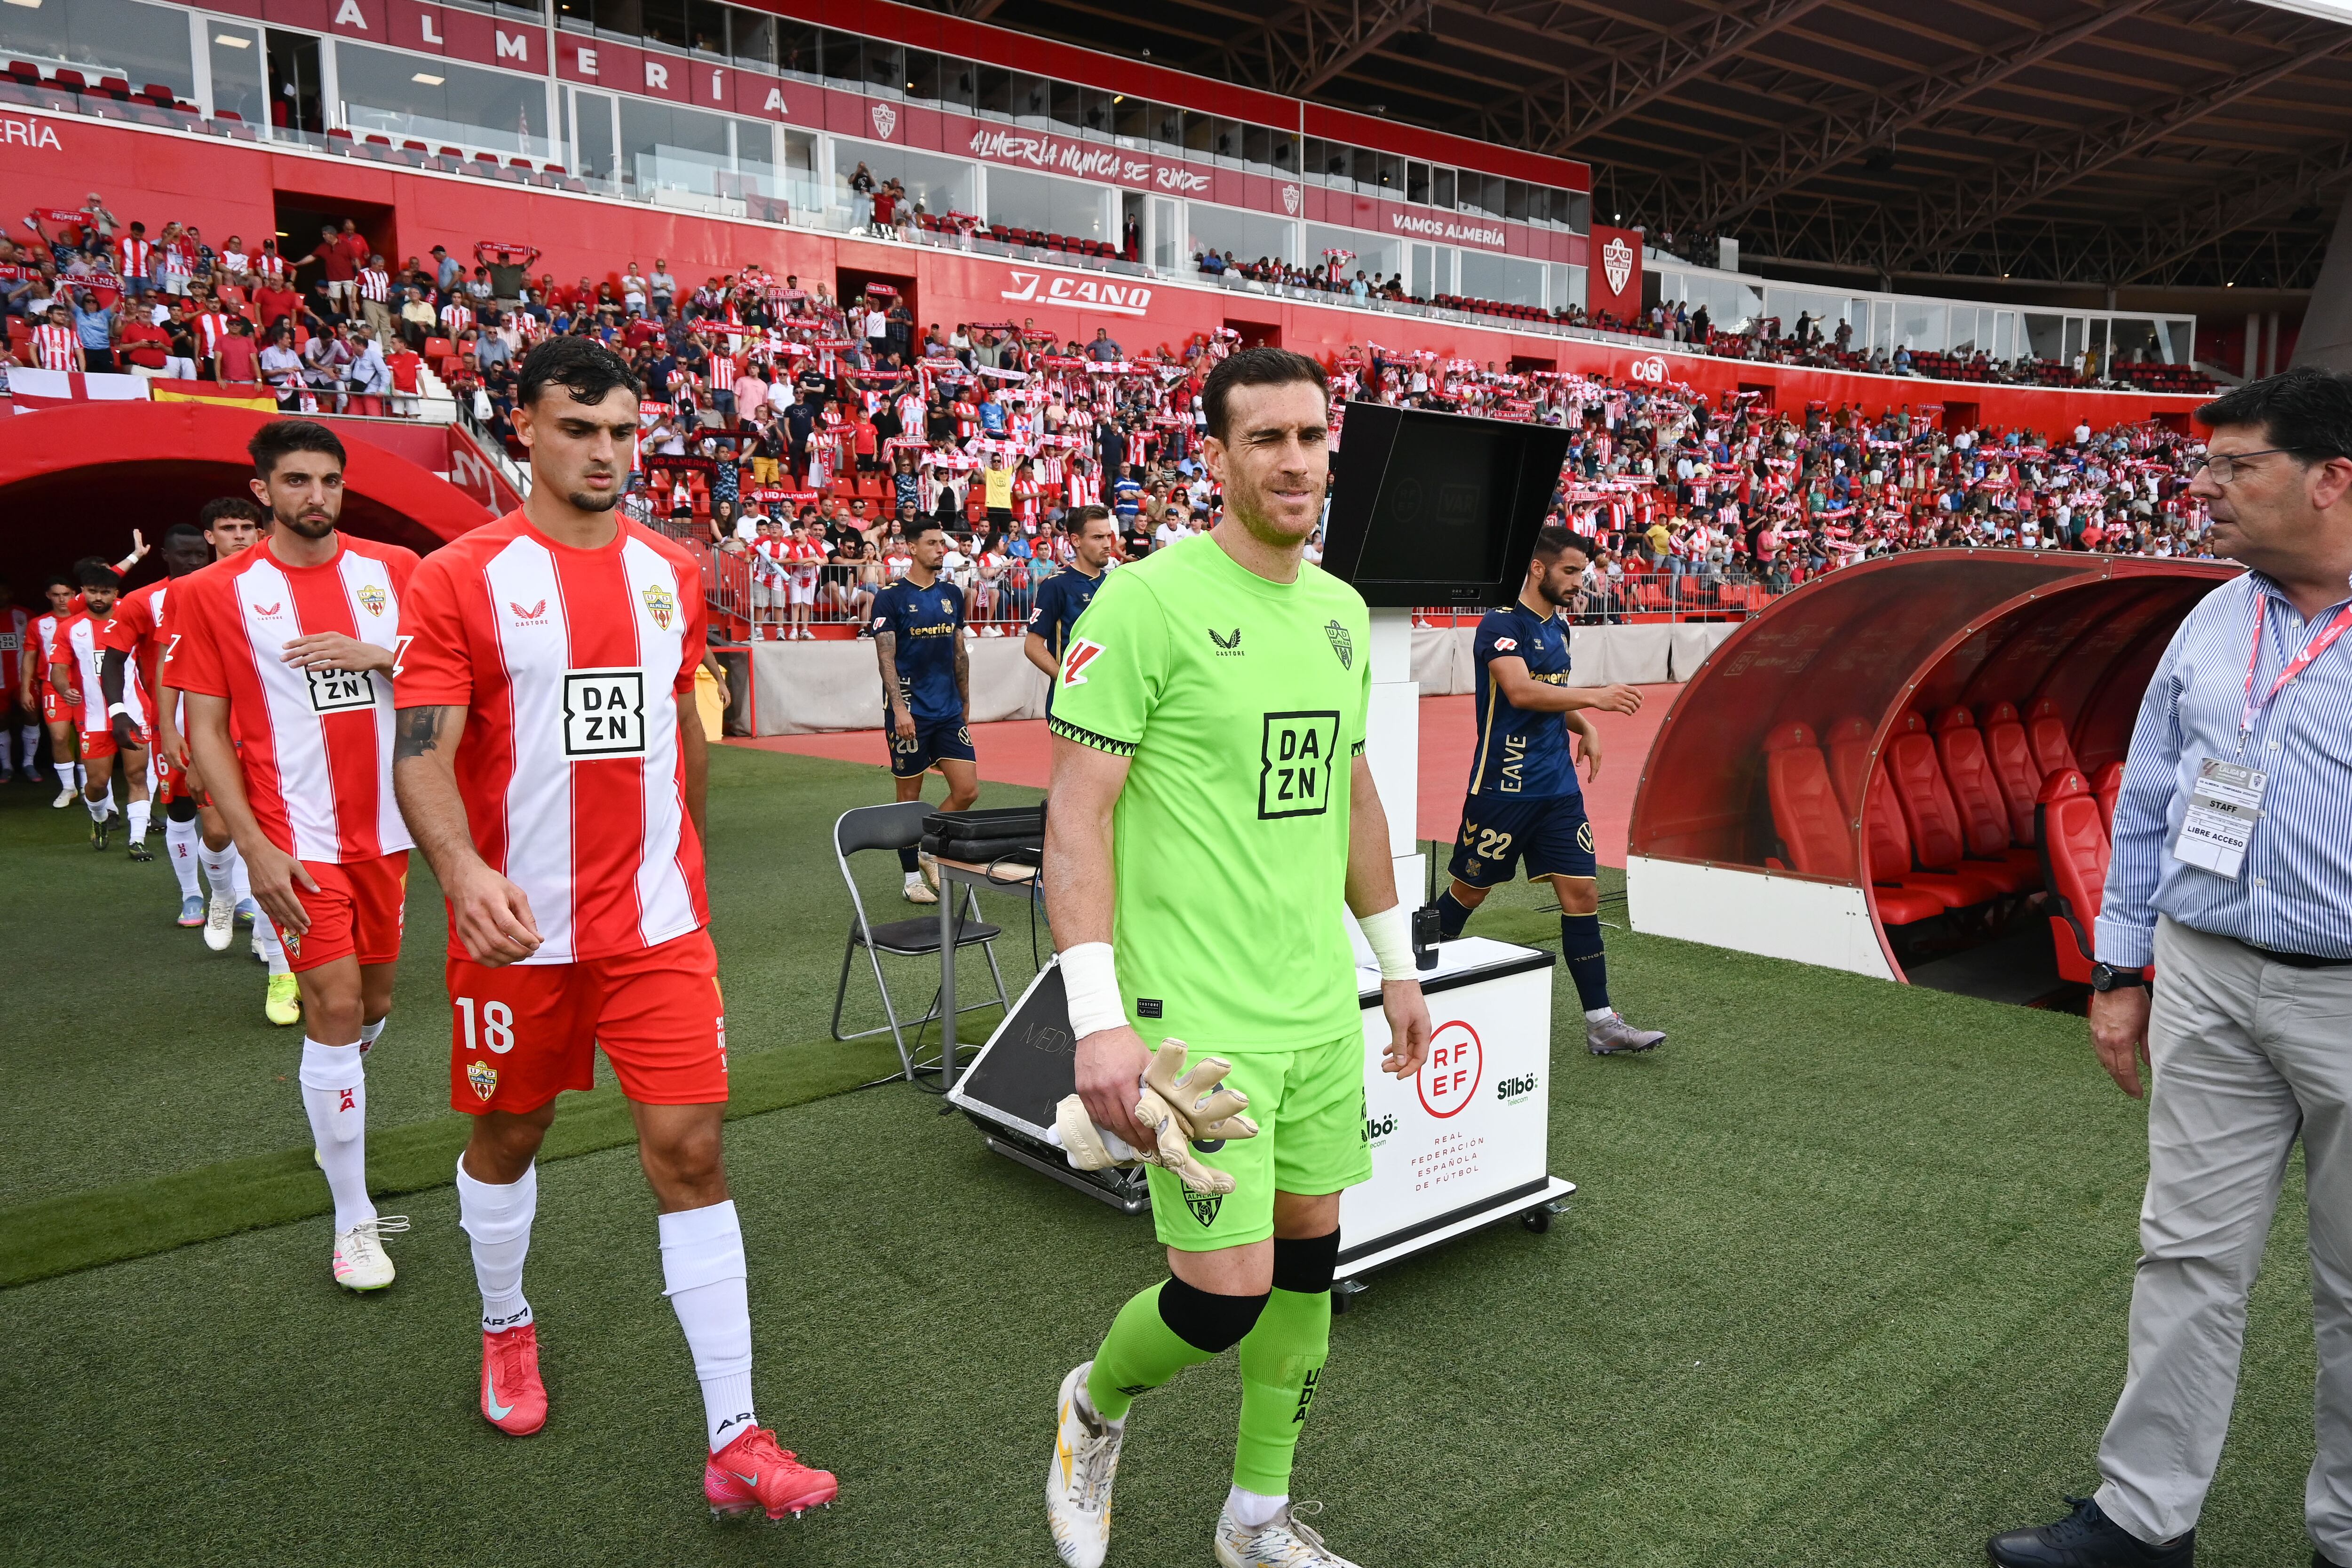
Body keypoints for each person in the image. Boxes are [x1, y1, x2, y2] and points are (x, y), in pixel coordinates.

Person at [389, 336, 838, 1520]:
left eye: (623, 432)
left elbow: (676, 730)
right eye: (579, 428)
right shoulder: (460, 577)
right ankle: (505, 1323)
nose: (604, 452)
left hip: (657, 926)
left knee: (691, 1151)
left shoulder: (672, 573)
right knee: (510, 1137)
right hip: (516, 931)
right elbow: (421, 755)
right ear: (525, 430)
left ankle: (736, 1437)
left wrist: (678, 841)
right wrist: (464, 869)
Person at [1038, 347, 1432, 1568]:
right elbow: (1076, 814)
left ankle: (1256, 1516)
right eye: (1265, 438)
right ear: (1217, 457)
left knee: (1309, 1276)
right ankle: (1092, 1404)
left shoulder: (1339, 613)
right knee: (1222, 1297)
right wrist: (1098, 1018)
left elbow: (1355, 798)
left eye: (1312, 436)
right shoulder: (1145, 600)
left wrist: (1398, 962)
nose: (1296, 459)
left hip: (1318, 1008)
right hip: (1194, 1020)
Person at [1989, 367, 2352, 1568]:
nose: (2203, 490)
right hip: (2205, 976)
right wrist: (2119, 968)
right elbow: (2145, 803)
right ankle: (2143, 1522)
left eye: (2234, 467)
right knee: (2185, 1255)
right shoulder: (2213, 616)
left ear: (2330, 478)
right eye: (2204, 467)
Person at [169, 420, 416, 1284]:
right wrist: (255, 846)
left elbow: (451, 671)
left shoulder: (396, 573)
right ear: (264, 492)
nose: (318, 496)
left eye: (331, 481)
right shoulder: (212, 593)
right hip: (296, 843)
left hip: (391, 834)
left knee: (374, 1001)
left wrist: (376, 653)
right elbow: (202, 729)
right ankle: (352, 1218)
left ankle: (331, 1094)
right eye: (299, 481)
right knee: (339, 1004)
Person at [1432, 527, 1666, 1054]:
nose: (1577, 582)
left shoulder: (1557, 627)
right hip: (1502, 788)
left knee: (1581, 894)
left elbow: (1552, 696)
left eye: (1581, 573)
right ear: (1537, 569)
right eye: (1568, 572)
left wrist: (1581, 724)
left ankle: (1601, 1023)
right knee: (1469, 892)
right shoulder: (1499, 625)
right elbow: (1519, 690)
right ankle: (1407, 972)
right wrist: (1597, 699)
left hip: (1557, 791)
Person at [99, 523, 214, 899]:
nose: (195, 561)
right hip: (173, 724)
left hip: (228, 722)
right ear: (166, 555)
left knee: (227, 819)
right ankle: (190, 894)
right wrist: (118, 710)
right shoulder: (143, 600)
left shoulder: (230, 589)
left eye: (201, 553)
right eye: (185, 554)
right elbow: (113, 660)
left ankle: (238, 896)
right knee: (182, 812)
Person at [871, 520, 978, 906]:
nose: (940, 548)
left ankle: (927, 848)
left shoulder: (953, 593)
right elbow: (885, 658)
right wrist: (900, 709)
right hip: (910, 710)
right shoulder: (890, 596)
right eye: (932, 542)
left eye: (942, 542)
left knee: (967, 790)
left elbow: (959, 650)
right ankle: (912, 878)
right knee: (910, 797)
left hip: (948, 707)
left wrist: (965, 701)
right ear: (911, 548)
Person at [50, 560, 149, 852]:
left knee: (137, 776)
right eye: (92, 591)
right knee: (97, 784)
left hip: (134, 712)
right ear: (83, 591)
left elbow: (147, 662)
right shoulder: (70, 628)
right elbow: (58, 668)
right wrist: (64, 689)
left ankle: (137, 840)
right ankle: (99, 816)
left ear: (116, 593)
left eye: (105, 592)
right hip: (93, 717)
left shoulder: (131, 621)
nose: (98, 598)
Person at [1023, 505, 1116, 710]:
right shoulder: (1056, 585)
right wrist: (1067, 681)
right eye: (1098, 538)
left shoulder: (1113, 583)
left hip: (1109, 700)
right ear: (1076, 541)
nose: (1107, 544)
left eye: (1108, 537)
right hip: (1071, 705)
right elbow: (1032, 646)